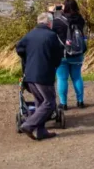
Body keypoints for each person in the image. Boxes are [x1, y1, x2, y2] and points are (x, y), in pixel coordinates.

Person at [15, 11, 64, 141]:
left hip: (29, 74)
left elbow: (19, 48)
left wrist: (27, 59)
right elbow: (59, 54)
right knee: (49, 102)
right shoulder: (52, 36)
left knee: (40, 102)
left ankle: (41, 131)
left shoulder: (29, 35)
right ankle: (29, 124)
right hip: (44, 74)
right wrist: (54, 64)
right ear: (49, 23)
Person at [52, 0, 87, 110]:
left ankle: (63, 103)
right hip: (77, 53)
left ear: (65, 8)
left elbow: (48, 26)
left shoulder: (57, 22)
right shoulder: (80, 20)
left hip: (62, 55)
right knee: (77, 77)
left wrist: (53, 10)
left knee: (62, 78)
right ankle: (80, 101)